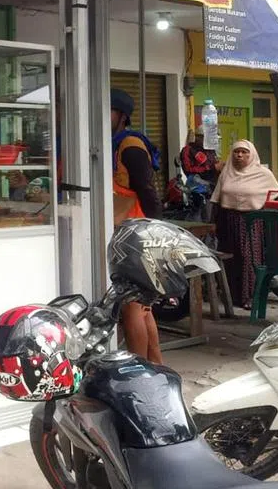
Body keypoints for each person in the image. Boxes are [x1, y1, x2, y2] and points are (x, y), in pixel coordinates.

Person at [110, 88, 164, 364]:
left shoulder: (129, 145)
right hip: (124, 231)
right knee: (142, 308)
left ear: (121, 116)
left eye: (109, 111)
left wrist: (156, 230)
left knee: (133, 306)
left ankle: (139, 372)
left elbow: (147, 189)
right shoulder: (112, 143)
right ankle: (156, 368)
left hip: (135, 233)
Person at [211, 140, 278, 309]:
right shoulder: (226, 173)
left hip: (252, 221)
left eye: (244, 152)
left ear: (252, 154)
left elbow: (277, 196)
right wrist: (213, 222)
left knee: (248, 257)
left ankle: (250, 296)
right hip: (228, 220)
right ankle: (232, 296)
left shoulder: (263, 174)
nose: (240, 155)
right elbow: (217, 198)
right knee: (230, 258)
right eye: (236, 152)